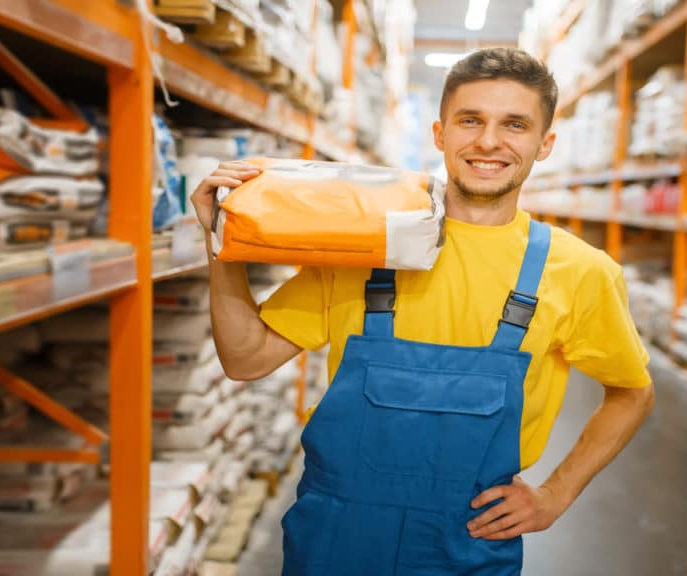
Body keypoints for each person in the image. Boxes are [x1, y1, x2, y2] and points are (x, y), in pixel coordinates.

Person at [191, 47, 655, 576]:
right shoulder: (362, 246)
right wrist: (221, 244)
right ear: (440, 134)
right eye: (470, 120)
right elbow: (245, 359)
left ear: (544, 144)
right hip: (336, 534)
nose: (488, 142)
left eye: (515, 125)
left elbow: (632, 393)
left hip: (469, 539)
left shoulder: (579, 271)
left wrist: (555, 493)